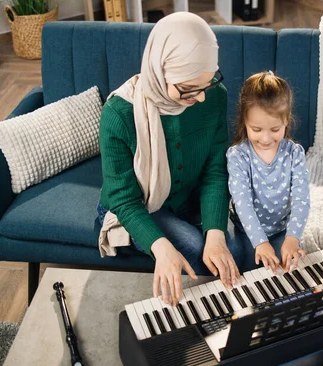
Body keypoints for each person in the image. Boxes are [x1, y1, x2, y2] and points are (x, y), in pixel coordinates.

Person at [97, 12, 243, 306]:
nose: (200, 97)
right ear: (159, 70)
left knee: (233, 250)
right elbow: (124, 200)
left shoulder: (214, 96)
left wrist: (215, 233)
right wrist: (161, 247)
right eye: (188, 88)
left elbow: (215, 172)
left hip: (188, 200)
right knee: (194, 252)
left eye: (207, 83)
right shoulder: (118, 113)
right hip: (138, 206)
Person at [227, 71, 310, 273]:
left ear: (286, 121)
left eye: (275, 130)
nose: (265, 139)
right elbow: (243, 203)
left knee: (291, 271)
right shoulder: (238, 156)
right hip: (248, 232)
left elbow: (302, 199)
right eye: (256, 129)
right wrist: (260, 242)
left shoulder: (294, 153)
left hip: (282, 229)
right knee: (253, 273)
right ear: (244, 121)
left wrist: (293, 237)